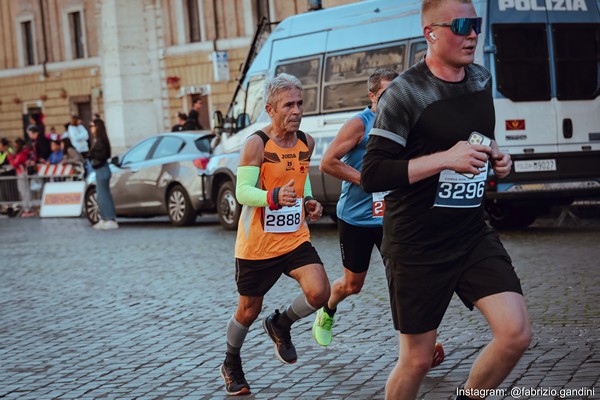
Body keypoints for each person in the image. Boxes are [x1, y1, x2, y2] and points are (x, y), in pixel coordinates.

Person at [360, 1, 531, 399]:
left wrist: (497, 156)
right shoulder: (403, 94)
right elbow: (373, 174)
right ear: (431, 33)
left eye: (475, 24)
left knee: (516, 334)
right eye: (460, 25)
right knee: (418, 360)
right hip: (416, 243)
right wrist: (444, 160)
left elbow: (476, 138)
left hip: (470, 233)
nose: (472, 33)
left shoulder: (480, 79)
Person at [220, 73, 330, 396]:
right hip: (257, 245)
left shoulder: (305, 142)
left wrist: (309, 201)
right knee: (248, 310)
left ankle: (281, 323)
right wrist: (271, 197)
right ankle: (231, 362)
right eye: (288, 105)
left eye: (299, 104)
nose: (296, 111)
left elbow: (300, 178)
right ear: (270, 109)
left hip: (294, 237)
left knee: (320, 292)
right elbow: (242, 192)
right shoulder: (257, 144)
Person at [88, 118, 118, 230]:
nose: (91, 128)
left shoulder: (101, 141)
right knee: (100, 196)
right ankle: (104, 218)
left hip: (102, 169)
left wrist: (91, 154)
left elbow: (102, 155)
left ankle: (109, 218)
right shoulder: (97, 140)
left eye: (92, 126)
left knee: (104, 195)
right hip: (99, 169)